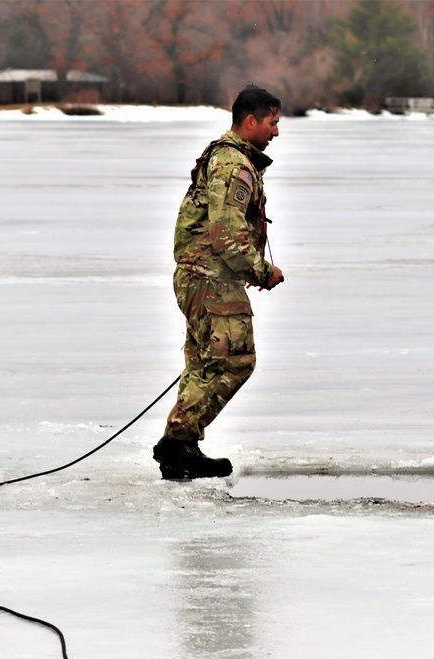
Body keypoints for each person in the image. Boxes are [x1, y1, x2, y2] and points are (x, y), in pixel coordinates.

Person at [153, 85, 285, 480]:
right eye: (272, 123)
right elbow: (224, 231)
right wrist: (260, 271)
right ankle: (178, 441)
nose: (276, 132)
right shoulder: (233, 164)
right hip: (209, 279)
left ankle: (182, 448)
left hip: (202, 277)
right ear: (251, 121)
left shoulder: (229, 157)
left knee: (202, 365)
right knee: (237, 360)